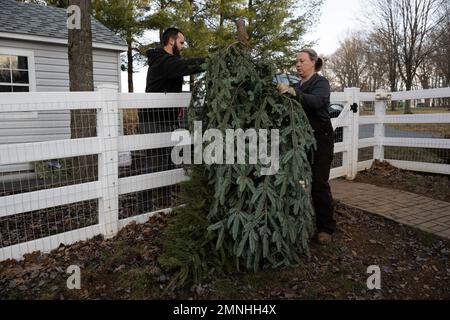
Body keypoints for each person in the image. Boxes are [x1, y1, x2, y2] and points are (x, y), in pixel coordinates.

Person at [277, 48, 336, 245]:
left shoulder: (320, 83)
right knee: (297, 180)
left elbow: (317, 102)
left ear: (313, 62)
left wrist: (294, 93)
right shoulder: (297, 84)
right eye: (297, 62)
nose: (298, 64)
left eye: (302, 61)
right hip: (301, 139)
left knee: (319, 183)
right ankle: (301, 221)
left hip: (321, 138)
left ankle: (326, 228)